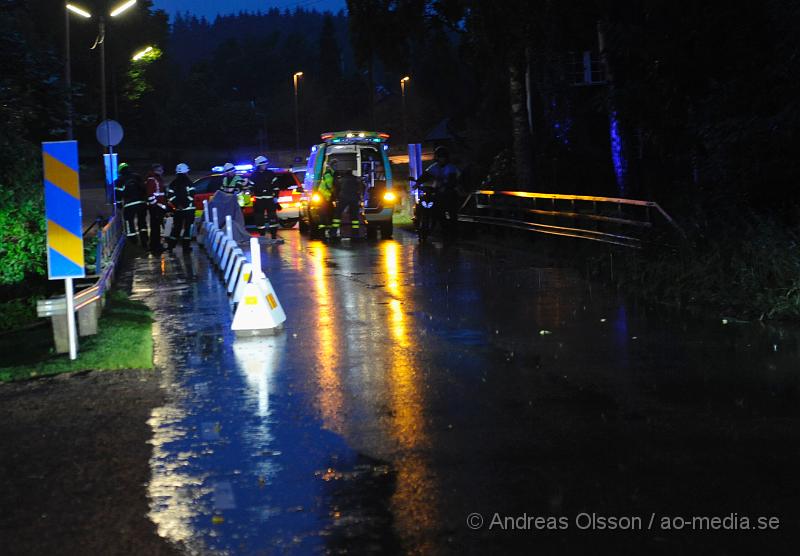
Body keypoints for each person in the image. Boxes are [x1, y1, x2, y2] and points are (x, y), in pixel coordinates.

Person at [416, 146, 462, 239]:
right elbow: (426, 175)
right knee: (437, 212)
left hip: (450, 193)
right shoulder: (434, 167)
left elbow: (452, 182)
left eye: (442, 157)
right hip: (438, 192)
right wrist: (417, 182)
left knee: (452, 213)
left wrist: (445, 186)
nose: (440, 159)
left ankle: (454, 234)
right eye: (439, 157)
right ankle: (442, 231)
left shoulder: (451, 168)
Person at [115, 163, 148, 245]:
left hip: (129, 204)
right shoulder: (137, 176)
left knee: (129, 222)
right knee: (142, 222)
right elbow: (144, 188)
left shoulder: (120, 180)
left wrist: (119, 204)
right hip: (141, 203)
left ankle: (133, 242)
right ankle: (144, 240)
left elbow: (118, 194)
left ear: (120, 171)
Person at [165, 163, 195, 251]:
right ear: (185, 171)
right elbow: (192, 195)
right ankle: (186, 247)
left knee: (176, 228)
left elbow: (170, 196)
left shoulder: (173, 183)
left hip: (178, 210)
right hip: (189, 210)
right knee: (188, 228)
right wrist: (185, 204)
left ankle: (171, 246)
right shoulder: (189, 182)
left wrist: (177, 205)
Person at [250, 155, 280, 239]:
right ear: (258, 165)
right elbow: (250, 187)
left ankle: (273, 234)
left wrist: (276, 197)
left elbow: (276, 186)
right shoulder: (254, 175)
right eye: (263, 165)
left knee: (273, 218)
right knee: (259, 218)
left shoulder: (271, 174)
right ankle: (262, 234)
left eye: (265, 164)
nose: (264, 166)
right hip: (258, 200)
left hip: (269, 199)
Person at [332, 168, 363, 239]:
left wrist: (336, 198)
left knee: (337, 215)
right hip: (354, 199)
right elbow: (361, 187)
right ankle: (355, 234)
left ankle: (333, 233)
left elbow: (336, 188)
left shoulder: (341, 180)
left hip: (343, 199)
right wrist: (359, 197)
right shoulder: (356, 179)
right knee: (354, 217)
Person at [145, 163, 168, 254]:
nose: (162, 171)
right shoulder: (152, 179)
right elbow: (150, 195)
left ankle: (156, 245)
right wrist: (156, 205)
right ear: (157, 170)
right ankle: (155, 246)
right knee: (155, 228)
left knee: (156, 227)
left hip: (157, 207)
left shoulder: (156, 179)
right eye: (161, 170)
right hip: (156, 208)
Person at [316, 159, 336, 239]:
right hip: (324, 197)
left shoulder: (331, 173)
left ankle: (329, 232)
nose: (336, 167)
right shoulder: (328, 174)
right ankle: (322, 234)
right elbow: (329, 185)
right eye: (335, 165)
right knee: (324, 214)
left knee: (329, 213)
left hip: (326, 197)